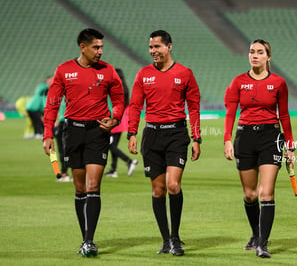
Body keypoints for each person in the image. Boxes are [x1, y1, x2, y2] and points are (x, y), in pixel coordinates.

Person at [42, 28, 124, 257]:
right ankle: (84, 237)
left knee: (93, 186)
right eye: (96, 47)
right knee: (79, 188)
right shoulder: (64, 70)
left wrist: (115, 117)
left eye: (102, 47)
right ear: (83, 47)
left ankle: (90, 241)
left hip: (97, 132)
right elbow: (52, 104)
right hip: (73, 132)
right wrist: (48, 134)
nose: (100, 51)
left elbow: (119, 99)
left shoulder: (108, 71)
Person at [128, 30, 201, 256]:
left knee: (173, 185)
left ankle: (176, 237)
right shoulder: (143, 75)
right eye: (151, 47)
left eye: (157, 47)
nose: (153, 51)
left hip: (176, 134)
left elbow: (194, 108)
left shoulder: (185, 73)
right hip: (152, 136)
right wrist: (132, 133)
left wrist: (196, 137)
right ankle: (165, 239)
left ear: (169, 47)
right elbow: (135, 106)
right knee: (158, 190)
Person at [224, 39, 295, 259]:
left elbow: (283, 114)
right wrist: (227, 139)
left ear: (268, 57)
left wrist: (290, 144)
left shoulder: (279, 83)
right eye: (252, 52)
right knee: (250, 194)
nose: (254, 55)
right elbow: (230, 113)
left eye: (259, 52)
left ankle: (262, 244)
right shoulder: (237, 82)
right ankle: (256, 234)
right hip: (245, 137)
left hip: (270, 137)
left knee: (266, 193)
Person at [104, 68, 138, 178]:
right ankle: (113, 169)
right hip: (121, 121)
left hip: (114, 121)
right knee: (113, 145)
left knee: (111, 145)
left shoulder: (115, 89)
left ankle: (129, 161)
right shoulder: (125, 89)